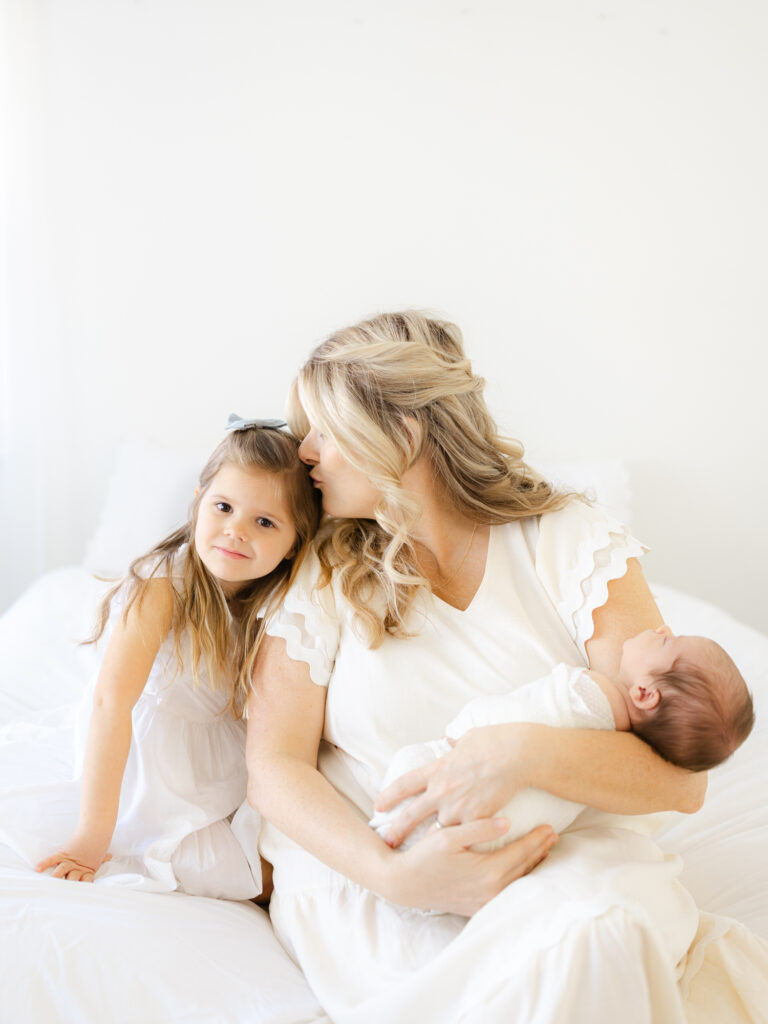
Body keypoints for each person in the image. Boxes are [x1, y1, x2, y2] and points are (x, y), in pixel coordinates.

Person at [246, 311, 768, 1023]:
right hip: (379, 879)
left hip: (565, 860)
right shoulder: (322, 571)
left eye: (327, 430)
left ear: (402, 434)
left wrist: (519, 754)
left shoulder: (565, 542)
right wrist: (398, 877)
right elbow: (273, 766)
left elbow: (680, 781)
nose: (304, 451)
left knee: (597, 934)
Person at [29, 417, 320, 897]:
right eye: (223, 507)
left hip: (221, 758)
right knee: (258, 879)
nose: (235, 531)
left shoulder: (280, 599)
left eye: (264, 522)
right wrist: (90, 838)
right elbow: (110, 702)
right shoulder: (165, 583)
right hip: (150, 763)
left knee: (295, 864)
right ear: (198, 503)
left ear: (294, 545)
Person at [371, 626, 755, 852]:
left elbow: (513, 716)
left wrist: (461, 731)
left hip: (450, 802)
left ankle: (388, 835)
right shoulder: (610, 747)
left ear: (644, 694)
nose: (661, 629)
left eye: (669, 643)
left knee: (411, 762)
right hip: (495, 840)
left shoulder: (584, 696)